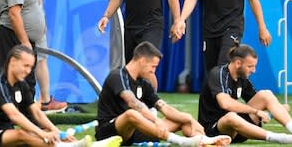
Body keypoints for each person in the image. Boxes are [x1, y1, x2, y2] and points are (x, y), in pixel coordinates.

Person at [95, 41, 232, 147]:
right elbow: (132, 102)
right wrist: (156, 121)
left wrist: (189, 119)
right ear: (142, 60)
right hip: (109, 132)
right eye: (153, 66)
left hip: (134, 133)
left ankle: (204, 141)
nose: (154, 71)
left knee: (181, 118)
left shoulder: (143, 82)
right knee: (132, 114)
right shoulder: (117, 75)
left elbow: (164, 107)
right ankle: (181, 141)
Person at [198, 42, 292, 144]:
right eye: (250, 66)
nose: (254, 70)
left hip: (239, 128)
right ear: (238, 63)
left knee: (266, 94)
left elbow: (260, 101)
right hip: (214, 131)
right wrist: (256, 112)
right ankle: (281, 139)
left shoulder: (242, 78)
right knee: (231, 116)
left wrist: (277, 109)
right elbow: (225, 103)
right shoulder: (218, 74)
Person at [0, 44, 94, 147]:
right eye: (25, 66)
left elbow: (37, 113)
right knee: (22, 134)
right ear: (13, 61)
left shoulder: (21, 84)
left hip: (6, 132)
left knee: (45, 131)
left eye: (31, 67)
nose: (28, 71)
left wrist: (57, 132)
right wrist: (43, 135)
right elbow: (14, 115)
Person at [0, 0, 48, 101]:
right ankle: (23, 116)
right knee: (22, 79)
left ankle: (23, 115)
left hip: (17, 36)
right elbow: (14, 14)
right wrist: (25, 41)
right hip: (16, 37)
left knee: (22, 80)